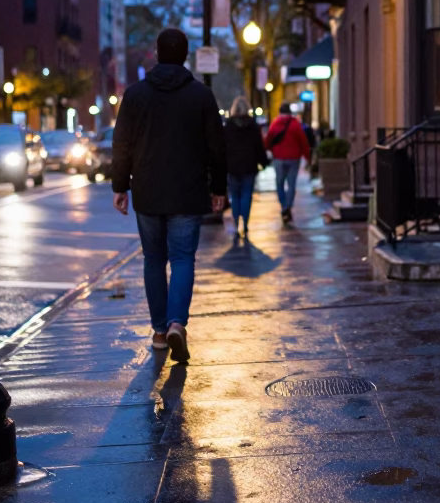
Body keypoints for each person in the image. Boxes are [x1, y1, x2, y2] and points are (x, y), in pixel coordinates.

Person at [111, 28, 227, 362]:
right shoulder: (201, 96)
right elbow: (217, 148)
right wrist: (219, 189)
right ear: (186, 55)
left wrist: (121, 185)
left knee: (153, 260)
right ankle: (178, 322)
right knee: (182, 259)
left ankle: (160, 332)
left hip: (147, 189)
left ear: (157, 54)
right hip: (188, 191)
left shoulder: (135, 96)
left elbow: (122, 145)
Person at [223, 96, 267, 237]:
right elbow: (258, 146)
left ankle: (236, 223)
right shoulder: (253, 126)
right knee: (247, 195)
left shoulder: (228, 127)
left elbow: (222, 148)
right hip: (249, 165)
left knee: (235, 196)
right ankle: (246, 223)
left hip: (232, 166)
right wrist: (263, 162)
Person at [264, 103, 311, 225]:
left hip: (279, 158)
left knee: (279, 183)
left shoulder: (275, 124)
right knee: (291, 184)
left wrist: (267, 150)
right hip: (294, 158)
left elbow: (268, 140)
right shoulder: (295, 124)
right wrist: (308, 157)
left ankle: (284, 205)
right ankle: (287, 207)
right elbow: (303, 142)